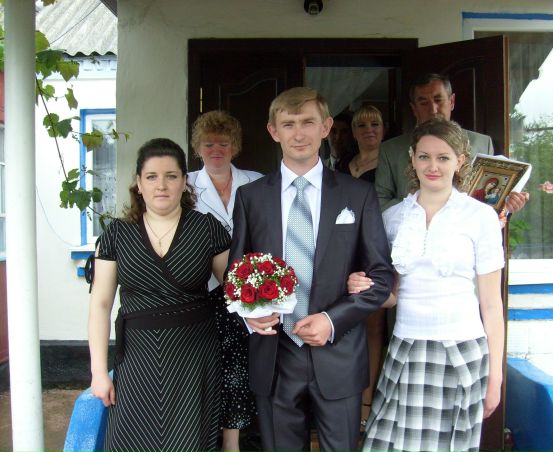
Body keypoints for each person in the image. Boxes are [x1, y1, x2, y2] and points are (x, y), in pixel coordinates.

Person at [228, 87, 395, 452]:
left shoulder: (357, 195)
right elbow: (236, 273)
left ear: (326, 127)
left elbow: (381, 277)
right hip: (275, 353)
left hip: (338, 351)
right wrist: (250, 315)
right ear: (273, 131)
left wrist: (332, 320)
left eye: (308, 122)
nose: (299, 133)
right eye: (288, 124)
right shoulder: (251, 198)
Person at [351, 118, 505, 452]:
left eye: (443, 157)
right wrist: (365, 289)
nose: (432, 166)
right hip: (406, 349)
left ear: (460, 161)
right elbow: (392, 296)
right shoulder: (393, 218)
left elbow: (492, 306)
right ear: (412, 158)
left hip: (461, 352)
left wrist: (496, 377)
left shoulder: (481, 217)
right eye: (424, 157)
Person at [88, 138, 231, 452]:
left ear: (184, 182)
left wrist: (265, 303)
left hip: (194, 359)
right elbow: (100, 304)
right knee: (130, 441)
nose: (161, 185)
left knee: (189, 442)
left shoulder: (207, 229)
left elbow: (236, 289)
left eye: (171, 176)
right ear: (139, 184)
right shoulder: (116, 234)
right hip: (137, 359)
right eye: (151, 176)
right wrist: (98, 372)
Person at [188, 111, 262, 452]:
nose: (216, 150)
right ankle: (201, 437)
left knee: (238, 367)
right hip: (203, 289)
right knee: (204, 366)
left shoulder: (256, 181)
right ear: (197, 148)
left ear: (235, 146)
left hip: (248, 288)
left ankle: (232, 442)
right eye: (208, 144)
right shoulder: (185, 185)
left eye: (223, 143)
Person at [375, 72, 528, 212]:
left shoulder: (482, 143)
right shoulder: (391, 150)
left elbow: (490, 201)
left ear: (452, 101)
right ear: (414, 109)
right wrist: (424, 208)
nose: (433, 109)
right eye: (424, 102)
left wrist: (507, 204)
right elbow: (380, 201)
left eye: (438, 100)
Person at [336, 104, 387, 428]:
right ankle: (344, 397)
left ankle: (367, 402)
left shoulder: (389, 163)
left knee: (372, 326)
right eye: (362, 125)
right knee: (343, 322)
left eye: (375, 124)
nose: (369, 130)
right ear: (353, 132)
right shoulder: (344, 164)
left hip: (373, 248)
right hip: (343, 249)